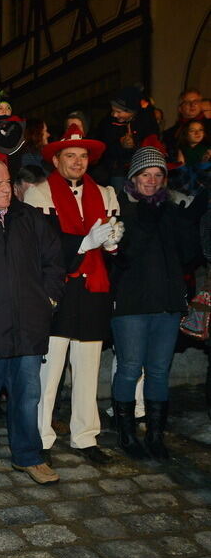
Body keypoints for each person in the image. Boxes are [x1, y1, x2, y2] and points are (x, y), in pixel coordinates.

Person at [0, 158, 65, 491]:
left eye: (7, 182)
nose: (7, 188)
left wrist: (48, 300)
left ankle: (29, 455)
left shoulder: (28, 217)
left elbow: (54, 261)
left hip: (29, 323)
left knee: (28, 396)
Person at [24, 125, 122, 467]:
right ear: (56, 158)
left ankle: (85, 436)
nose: (78, 162)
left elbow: (113, 242)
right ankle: (41, 436)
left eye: (83, 156)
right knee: (49, 372)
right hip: (58, 288)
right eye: (71, 155)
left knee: (88, 366)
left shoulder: (107, 193)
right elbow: (42, 245)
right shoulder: (39, 194)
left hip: (93, 286)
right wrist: (83, 243)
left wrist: (112, 243)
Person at [110, 145, 202, 460]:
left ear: (164, 179)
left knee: (160, 370)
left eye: (157, 175)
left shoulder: (171, 211)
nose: (151, 180)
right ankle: (125, 433)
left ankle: (155, 435)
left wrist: (185, 219)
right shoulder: (121, 208)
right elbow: (121, 256)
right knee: (130, 367)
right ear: (133, 177)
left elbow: (189, 254)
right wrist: (145, 217)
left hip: (166, 302)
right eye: (145, 174)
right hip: (132, 304)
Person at [92, 86, 159, 189]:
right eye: (113, 111)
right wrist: (120, 143)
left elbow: (152, 141)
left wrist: (135, 143)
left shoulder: (146, 121)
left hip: (142, 169)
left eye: (119, 112)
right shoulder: (107, 123)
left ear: (132, 111)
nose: (114, 115)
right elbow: (104, 147)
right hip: (117, 170)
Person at [163, 88, 209, 155]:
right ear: (180, 108)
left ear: (201, 105)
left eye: (196, 101)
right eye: (187, 102)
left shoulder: (209, 126)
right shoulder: (170, 133)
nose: (192, 105)